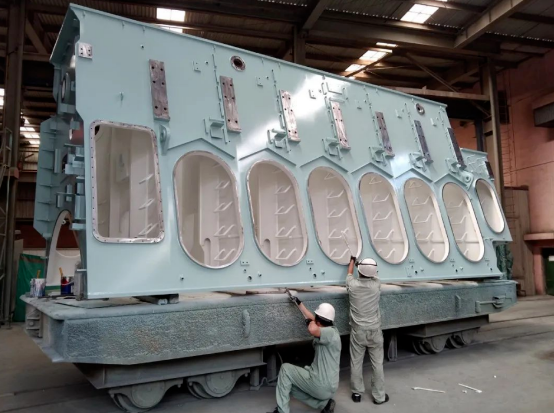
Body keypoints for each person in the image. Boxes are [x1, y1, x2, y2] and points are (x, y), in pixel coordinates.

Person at [268, 299, 341, 413]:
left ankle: (282, 411)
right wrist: (299, 304)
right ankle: (324, 404)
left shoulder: (329, 333)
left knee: (285, 370)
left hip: (321, 384)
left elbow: (312, 329)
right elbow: (313, 321)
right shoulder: (331, 331)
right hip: (330, 386)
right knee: (288, 385)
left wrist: (310, 323)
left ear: (318, 322)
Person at [347, 256, 389, 405]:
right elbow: (373, 274)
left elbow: (349, 274)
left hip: (358, 332)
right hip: (375, 330)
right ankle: (379, 396)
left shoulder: (352, 285)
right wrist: (363, 266)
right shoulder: (376, 284)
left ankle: (357, 393)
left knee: (356, 362)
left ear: (359, 271)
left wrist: (353, 261)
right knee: (377, 364)